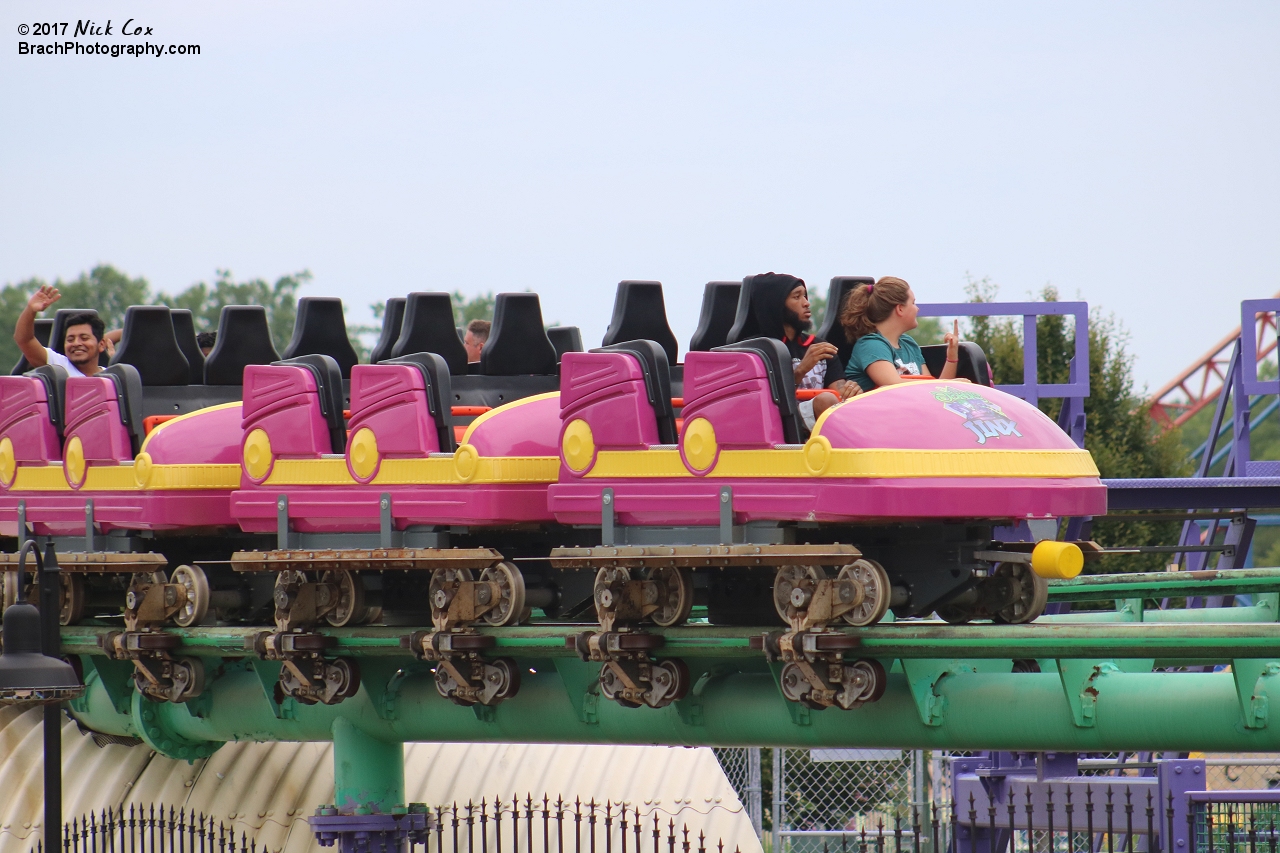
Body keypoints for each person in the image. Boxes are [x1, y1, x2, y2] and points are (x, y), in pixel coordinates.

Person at [747, 272, 858, 432]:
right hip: (778, 420)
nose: (806, 303)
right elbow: (767, 402)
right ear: (776, 305)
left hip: (819, 420)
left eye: (805, 296)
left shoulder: (820, 346)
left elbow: (838, 393)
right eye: (796, 297)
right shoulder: (760, 350)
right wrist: (801, 370)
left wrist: (851, 391)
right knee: (824, 400)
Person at [840, 276, 960, 392]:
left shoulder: (909, 343)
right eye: (913, 303)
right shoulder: (871, 345)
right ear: (900, 309)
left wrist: (951, 357)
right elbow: (893, 386)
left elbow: (933, 392)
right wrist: (947, 385)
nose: (917, 309)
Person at [14, 284, 120, 377]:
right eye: (70, 339)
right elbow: (24, 340)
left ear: (101, 345)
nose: (76, 343)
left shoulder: (112, 376)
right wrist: (30, 310)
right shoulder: (59, 366)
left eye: (84, 338)